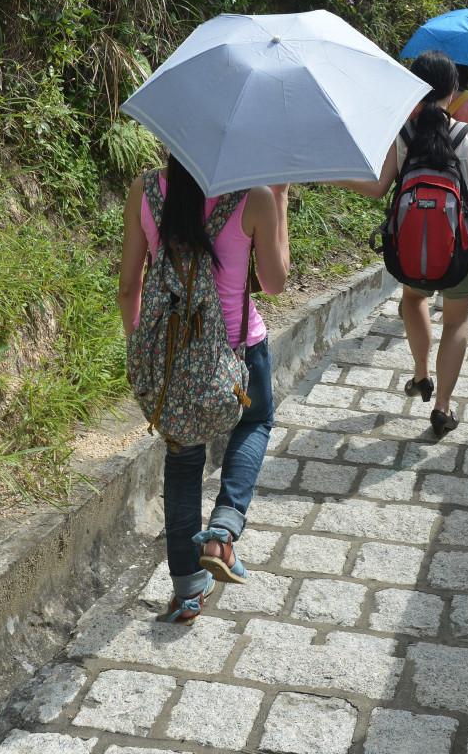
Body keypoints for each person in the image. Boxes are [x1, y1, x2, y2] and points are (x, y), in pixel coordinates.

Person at [119, 156, 289, 623]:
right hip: (236, 353)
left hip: (172, 359)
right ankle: (223, 530)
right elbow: (275, 283)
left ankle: (188, 593)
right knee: (256, 421)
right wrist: (282, 201)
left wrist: (143, 355)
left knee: (183, 463)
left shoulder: (147, 190)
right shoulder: (255, 196)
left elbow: (129, 285)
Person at [342, 50, 468, 439]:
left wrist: (336, 177)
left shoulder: (404, 135)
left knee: (413, 300)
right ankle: (443, 407)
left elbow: (378, 188)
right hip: (460, 249)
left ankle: (420, 374)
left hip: (413, 251)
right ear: (453, 90)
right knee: (457, 320)